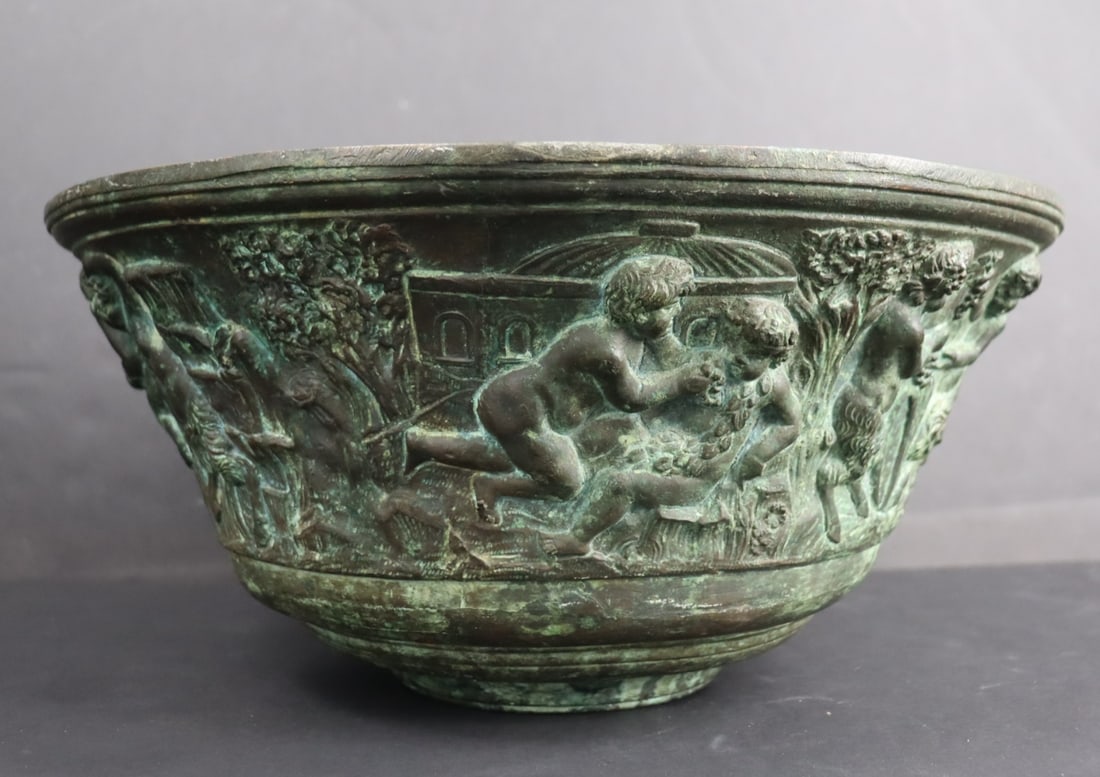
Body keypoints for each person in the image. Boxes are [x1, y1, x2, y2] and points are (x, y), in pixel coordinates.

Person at [540, 296, 801, 557]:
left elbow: (792, 423)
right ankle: (549, 487)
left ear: (775, 360)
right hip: (663, 444)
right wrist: (662, 336)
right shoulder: (711, 363)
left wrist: (756, 458)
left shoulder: (773, 386)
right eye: (732, 344)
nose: (737, 356)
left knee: (620, 484)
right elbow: (674, 360)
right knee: (598, 432)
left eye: (753, 354)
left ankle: (579, 539)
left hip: (694, 478)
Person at [471, 254, 713, 522]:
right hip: (519, 408)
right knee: (567, 483)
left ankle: (443, 448)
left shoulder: (638, 332)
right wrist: (680, 382)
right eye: (671, 305)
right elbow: (631, 399)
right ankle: (491, 487)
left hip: (537, 412)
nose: (678, 310)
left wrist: (704, 367)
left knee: (510, 453)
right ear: (641, 312)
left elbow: (674, 355)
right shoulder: (608, 352)